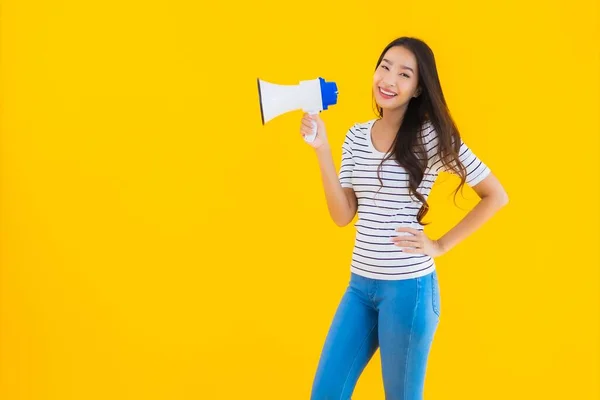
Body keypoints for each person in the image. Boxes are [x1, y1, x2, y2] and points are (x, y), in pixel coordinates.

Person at [300, 37, 509, 400]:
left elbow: (496, 196)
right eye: (384, 66)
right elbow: (343, 215)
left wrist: (440, 244)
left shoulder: (432, 137)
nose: (389, 79)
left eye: (404, 74)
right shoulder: (355, 136)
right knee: (326, 393)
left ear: (416, 89)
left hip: (408, 291)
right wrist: (322, 149)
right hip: (360, 288)